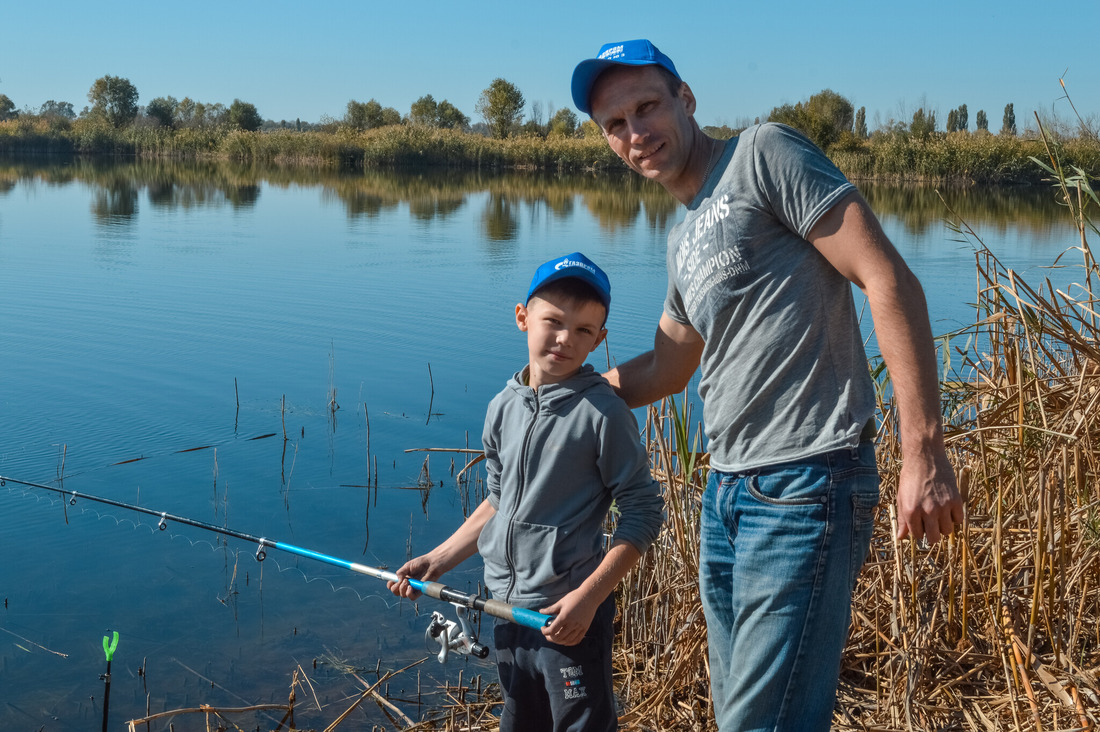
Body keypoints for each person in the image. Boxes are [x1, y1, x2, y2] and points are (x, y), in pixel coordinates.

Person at [570, 39, 964, 731]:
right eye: (616, 125)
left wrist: (923, 451)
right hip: (726, 496)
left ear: (686, 100)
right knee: (746, 716)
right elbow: (669, 366)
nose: (636, 133)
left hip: (807, 483)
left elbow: (887, 277)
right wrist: (571, 392)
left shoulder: (764, 153)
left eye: (646, 107)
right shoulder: (682, 235)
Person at [388, 252, 664, 732]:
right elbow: (499, 501)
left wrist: (589, 597)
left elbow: (644, 510)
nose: (565, 339)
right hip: (505, 609)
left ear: (600, 339)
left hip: (569, 615)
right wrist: (437, 560)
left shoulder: (603, 415)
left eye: (583, 330)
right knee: (520, 723)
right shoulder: (502, 407)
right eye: (553, 321)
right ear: (522, 318)